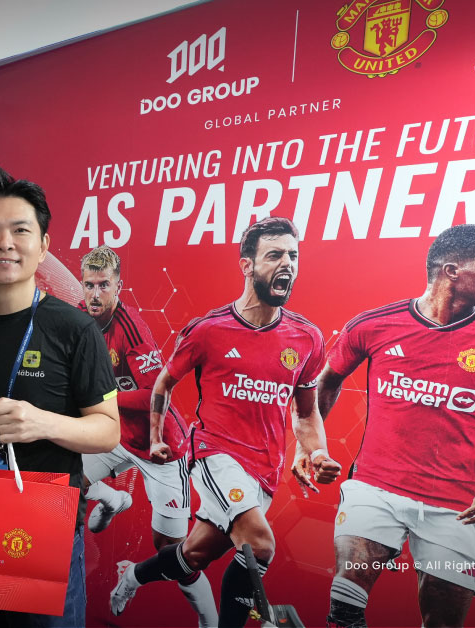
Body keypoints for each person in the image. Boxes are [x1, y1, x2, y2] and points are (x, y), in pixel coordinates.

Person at [318, 224, 475, 628]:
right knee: (346, 600)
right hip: (375, 488)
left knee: (443, 623)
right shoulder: (374, 324)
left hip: (458, 507)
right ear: (452, 271)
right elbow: (325, 382)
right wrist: (313, 446)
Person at [110, 217, 341, 626]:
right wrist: (156, 437)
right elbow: (163, 382)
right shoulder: (208, 330)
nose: (287, 263)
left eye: (293, 255)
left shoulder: (307, 338)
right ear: (247, 265)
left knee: (193, 555)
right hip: (214, 455)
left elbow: (306, 412)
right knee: (260, 545)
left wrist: (317, 451)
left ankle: (133, 575)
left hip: (264, 468)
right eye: (275, 255)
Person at [0, 160, 119, 627]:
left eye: (20, 230)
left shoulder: (74, 328)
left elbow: (107, 431)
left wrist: (40, 422)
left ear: (43, 246)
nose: (4, 243)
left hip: (46, 523)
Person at [76, 245, 218, 624]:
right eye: (89, 285)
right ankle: (113, 499)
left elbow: (153, 392)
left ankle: (209, 621)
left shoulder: (132, 329)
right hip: (115, 435)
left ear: (118, 287)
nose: (94, 294)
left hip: (160, 448)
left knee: (175, 555)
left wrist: (100, 396)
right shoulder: (78, 318)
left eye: (103, 285)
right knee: (65, 479)